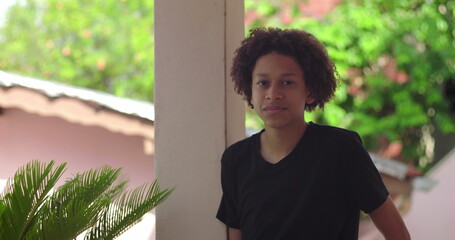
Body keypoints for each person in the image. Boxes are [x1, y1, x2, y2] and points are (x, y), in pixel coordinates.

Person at [216, 27, 410, 240]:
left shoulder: (341, 149)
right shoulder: (235, 160)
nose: (273, 94)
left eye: (287, 82)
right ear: (250, 92)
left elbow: (398, 234)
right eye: (263, 83)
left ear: (310, 91)